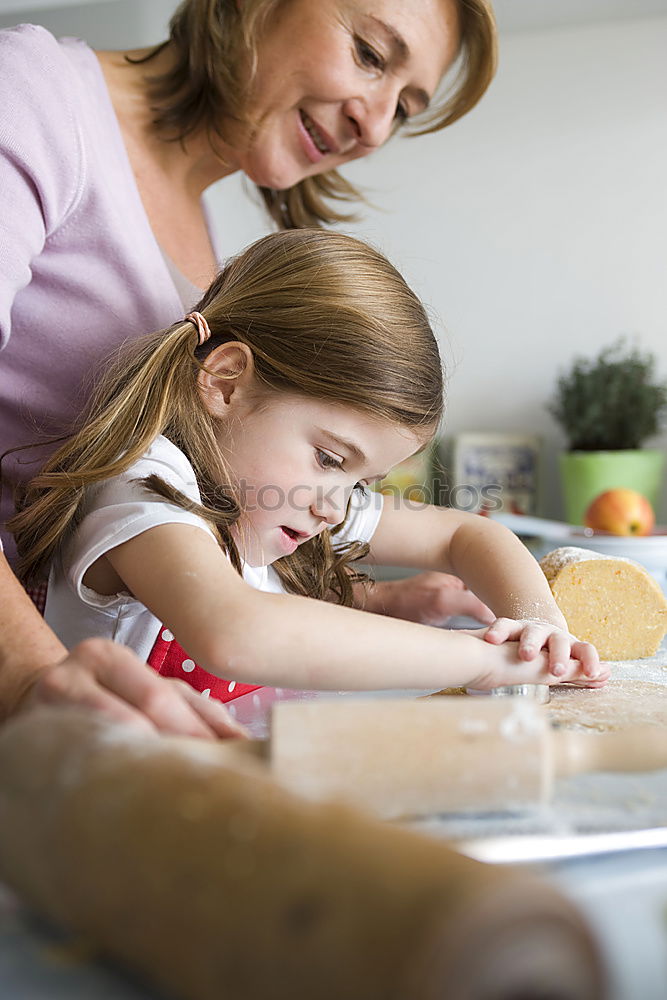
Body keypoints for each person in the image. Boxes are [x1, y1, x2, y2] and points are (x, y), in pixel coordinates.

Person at [0, 0, 498, 723]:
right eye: (367, 52)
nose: (377, 125)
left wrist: (355, 599)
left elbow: (196, 553)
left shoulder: (207, 251)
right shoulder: (32, 96)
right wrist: (32, 679)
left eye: (406, 107)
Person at [9, 230, 608, 705]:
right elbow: (238, 632)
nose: (336, 506)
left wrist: (540, 630)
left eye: (361, 483)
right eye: (329, 459)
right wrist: (486, 660)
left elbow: (465, 533)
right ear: (225, 382)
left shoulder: (281, 492)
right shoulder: (144, 486)